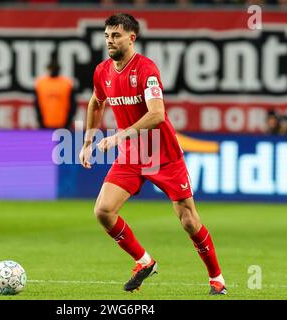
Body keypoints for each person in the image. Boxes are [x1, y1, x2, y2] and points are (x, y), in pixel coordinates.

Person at [79, 13, 226, 295]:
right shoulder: (103, 71)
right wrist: (88, 140)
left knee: (188, 220)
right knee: (103, 211)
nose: (110, 41)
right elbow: (96, 102)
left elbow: (157, 114)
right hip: (132, 155)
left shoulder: (146, 70)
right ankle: (144, 261)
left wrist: (121, 134)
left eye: (116, 36)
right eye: (107, 35)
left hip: (163, 154)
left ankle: (216, 278)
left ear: (131, 38)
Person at [34, 55, 77, 129]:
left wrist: (68, 121)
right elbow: (37, 104)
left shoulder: (66, 83)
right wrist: (40, 120)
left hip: (62, 123)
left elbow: (73, 105)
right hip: (46, 123)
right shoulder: (41, 83)